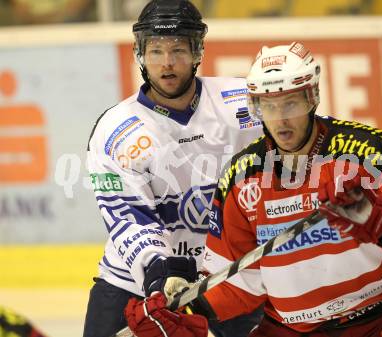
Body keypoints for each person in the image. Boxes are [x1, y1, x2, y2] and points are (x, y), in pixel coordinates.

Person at [124, 41, 382, 337]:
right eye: (269, 107)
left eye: (290, 103)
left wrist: (378, 221)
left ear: (312, 97)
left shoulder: (367, 151)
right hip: (294, 330)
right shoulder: (242, 175)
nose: (281, 120)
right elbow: (239, 281)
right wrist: (186, 310)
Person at [83, 0, 262, 336]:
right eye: (155, 51)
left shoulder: (242, 102)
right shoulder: (116, 129)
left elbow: (303, 135)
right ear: (140, 54)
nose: (167, 63)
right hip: (136, 282)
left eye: (178, 50)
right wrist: (159, 270)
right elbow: (129, 216)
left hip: (227, 276)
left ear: (197, 52)